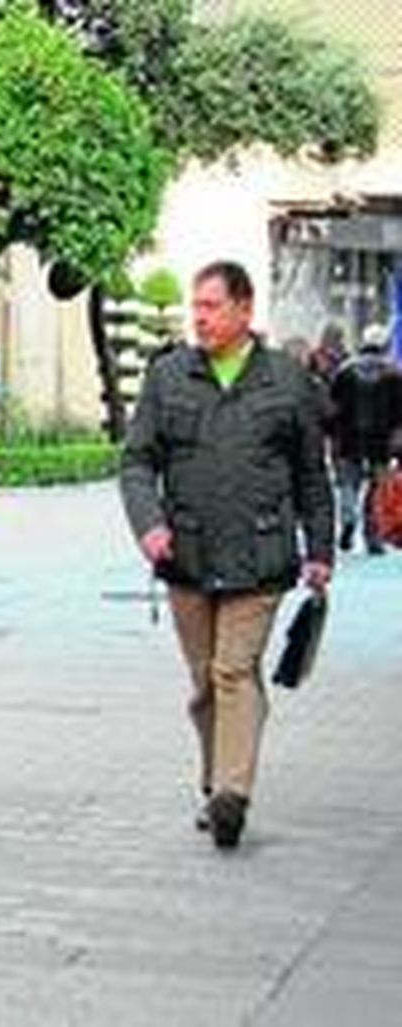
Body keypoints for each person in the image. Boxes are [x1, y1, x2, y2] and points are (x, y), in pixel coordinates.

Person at [119, 261, 333, 851]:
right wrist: (149, 525)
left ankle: (232, 796)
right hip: (186, 554)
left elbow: (312, 475)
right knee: (205, 682)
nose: (200, 318)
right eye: (196, 306)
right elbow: (137, 461)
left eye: (211, 306)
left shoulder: (287, 380)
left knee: (233, 670)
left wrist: (320, 549)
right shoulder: (169, 376)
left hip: (261, 557)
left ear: (244, 309)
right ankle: (216, 781)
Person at [330, 323, 402, 554]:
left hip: (348, 438)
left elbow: (333, 407)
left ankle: (348, 518)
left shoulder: (345, 370)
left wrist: (332, 435)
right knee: (377, 488)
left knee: (348, 484)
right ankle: (373, 535)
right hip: (381, 440)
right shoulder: (394, 372)